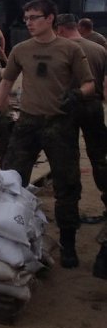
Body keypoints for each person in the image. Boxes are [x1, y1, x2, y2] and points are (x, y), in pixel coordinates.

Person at [0, 0, 94, 269]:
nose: (29, 22)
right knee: (11, 180)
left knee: (67, 185)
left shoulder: (70, 49)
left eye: (34, 17)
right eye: (26, 18)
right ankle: (10, 237)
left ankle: (68, 245)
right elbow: (6, 81)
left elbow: (89, 84)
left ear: (50, 18)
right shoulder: (21, 50)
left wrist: (77, 94)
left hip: (59, 124)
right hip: (27, 123)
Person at [55, 14, 107, 227]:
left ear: (60, 29)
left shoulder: (60, 49)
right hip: (93, 107)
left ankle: (70, 213)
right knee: (98, 157)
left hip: (67, 108)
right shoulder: (99, 49)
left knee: (68, 159)